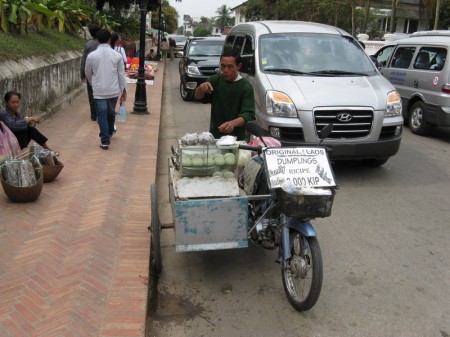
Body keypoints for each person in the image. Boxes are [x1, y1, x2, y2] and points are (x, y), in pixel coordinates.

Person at [193, 49, 255, 140]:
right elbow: (197, 96)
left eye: (230, 66)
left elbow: (248, 114)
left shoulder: (245, 86)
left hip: (237, 138)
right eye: (223, 66)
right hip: (215, 136)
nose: (225, 70)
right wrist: (201, 88)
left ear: (239, 66)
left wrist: (232, 123)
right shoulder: (215, 80)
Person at [85, 29, 127, 150]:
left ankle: (105, 138)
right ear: (109, 39)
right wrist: (124, 90)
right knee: (110, 112)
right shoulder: (117, 56)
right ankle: (106, 135)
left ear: (97, 40)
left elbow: (88, 73)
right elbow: (121, 74)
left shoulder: (91, 56)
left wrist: (93, 83)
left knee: (102, 114)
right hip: (113, 90)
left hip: (98, 91)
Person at [80, 23, 101, 122]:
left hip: (91, 73)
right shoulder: (103, 43)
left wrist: (82, 74)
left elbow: (83, 61)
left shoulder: (88, 44)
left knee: (91, 93)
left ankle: (94, 114)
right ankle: (101, 112)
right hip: (102, 72)